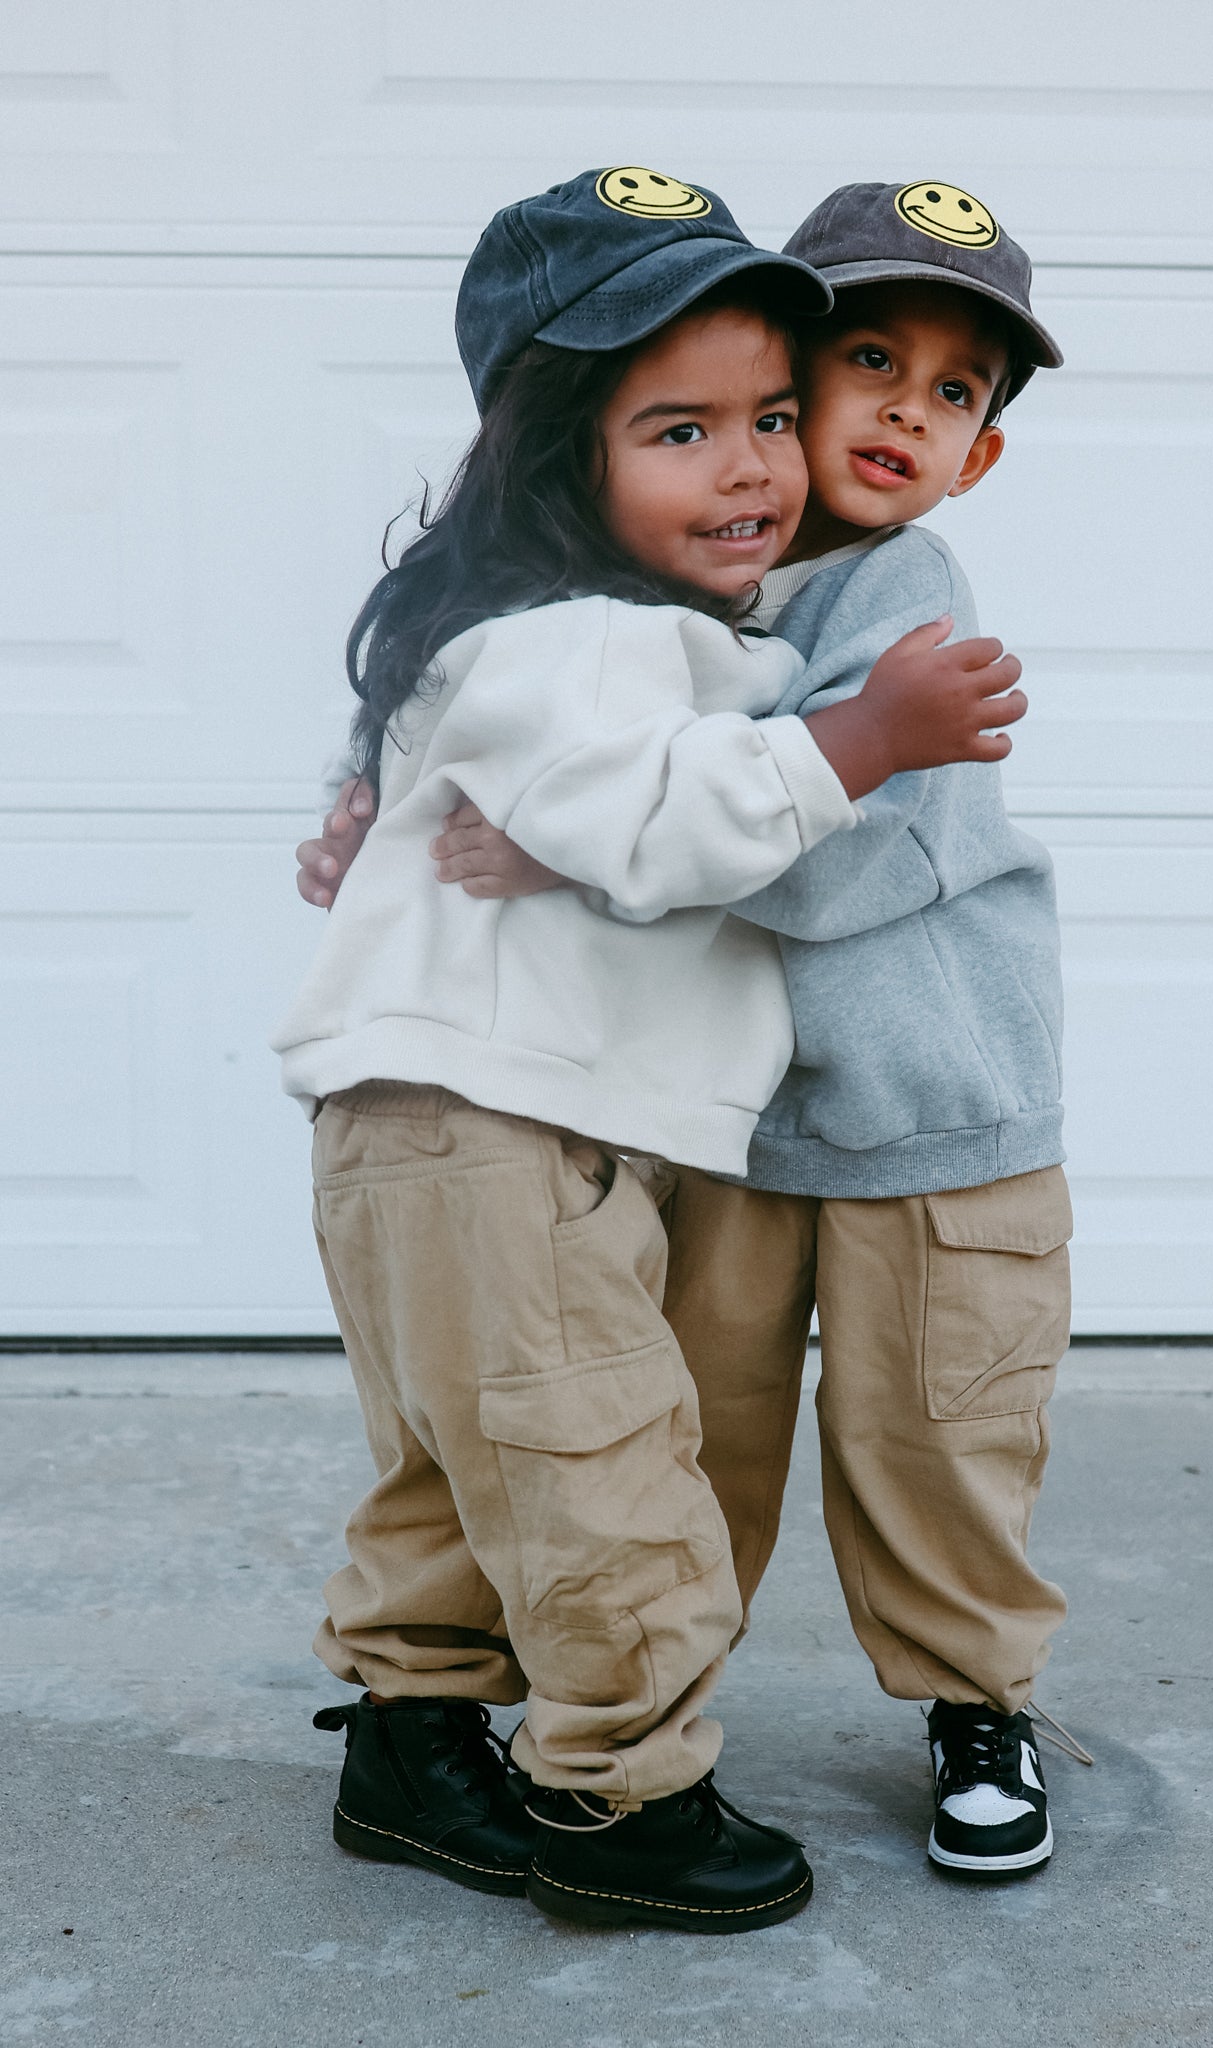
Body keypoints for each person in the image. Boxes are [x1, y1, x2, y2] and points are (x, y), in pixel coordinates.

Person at [277, 167, 1028, 1931]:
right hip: (496, 1130)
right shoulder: (590, 642)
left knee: (467, 1467)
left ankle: (410, 1745)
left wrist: (366, 814)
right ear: (561, 458)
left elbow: (495, 779)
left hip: (467, 1128)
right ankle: (622, 1807)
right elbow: (668, 818)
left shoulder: (600, 636)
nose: (756, 466)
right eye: (681, 430)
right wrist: (861, 739)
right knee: (606, 1471)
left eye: (773, 415)